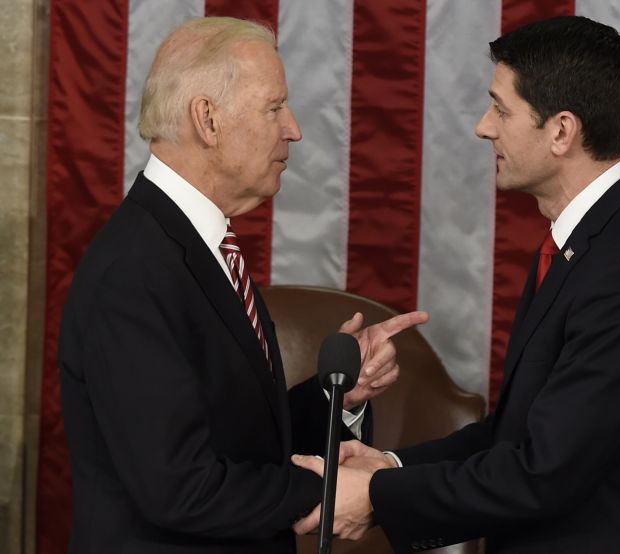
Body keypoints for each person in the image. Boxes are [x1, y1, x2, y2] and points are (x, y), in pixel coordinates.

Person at [292, 15, 620, 553]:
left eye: (501, 109)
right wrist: (390, 466)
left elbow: (543, 472)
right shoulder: (590, 245)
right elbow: (516, 437)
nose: (483, 127)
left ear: (561, 131)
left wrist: (377, 495)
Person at [58, 16, 427, 554]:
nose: (294, 128)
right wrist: (331, 491)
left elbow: (246, 437)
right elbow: (181, 487)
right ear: (207, 119)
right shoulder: (134, 272)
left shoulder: (192, 244)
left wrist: (338, 396)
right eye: (275, 107)